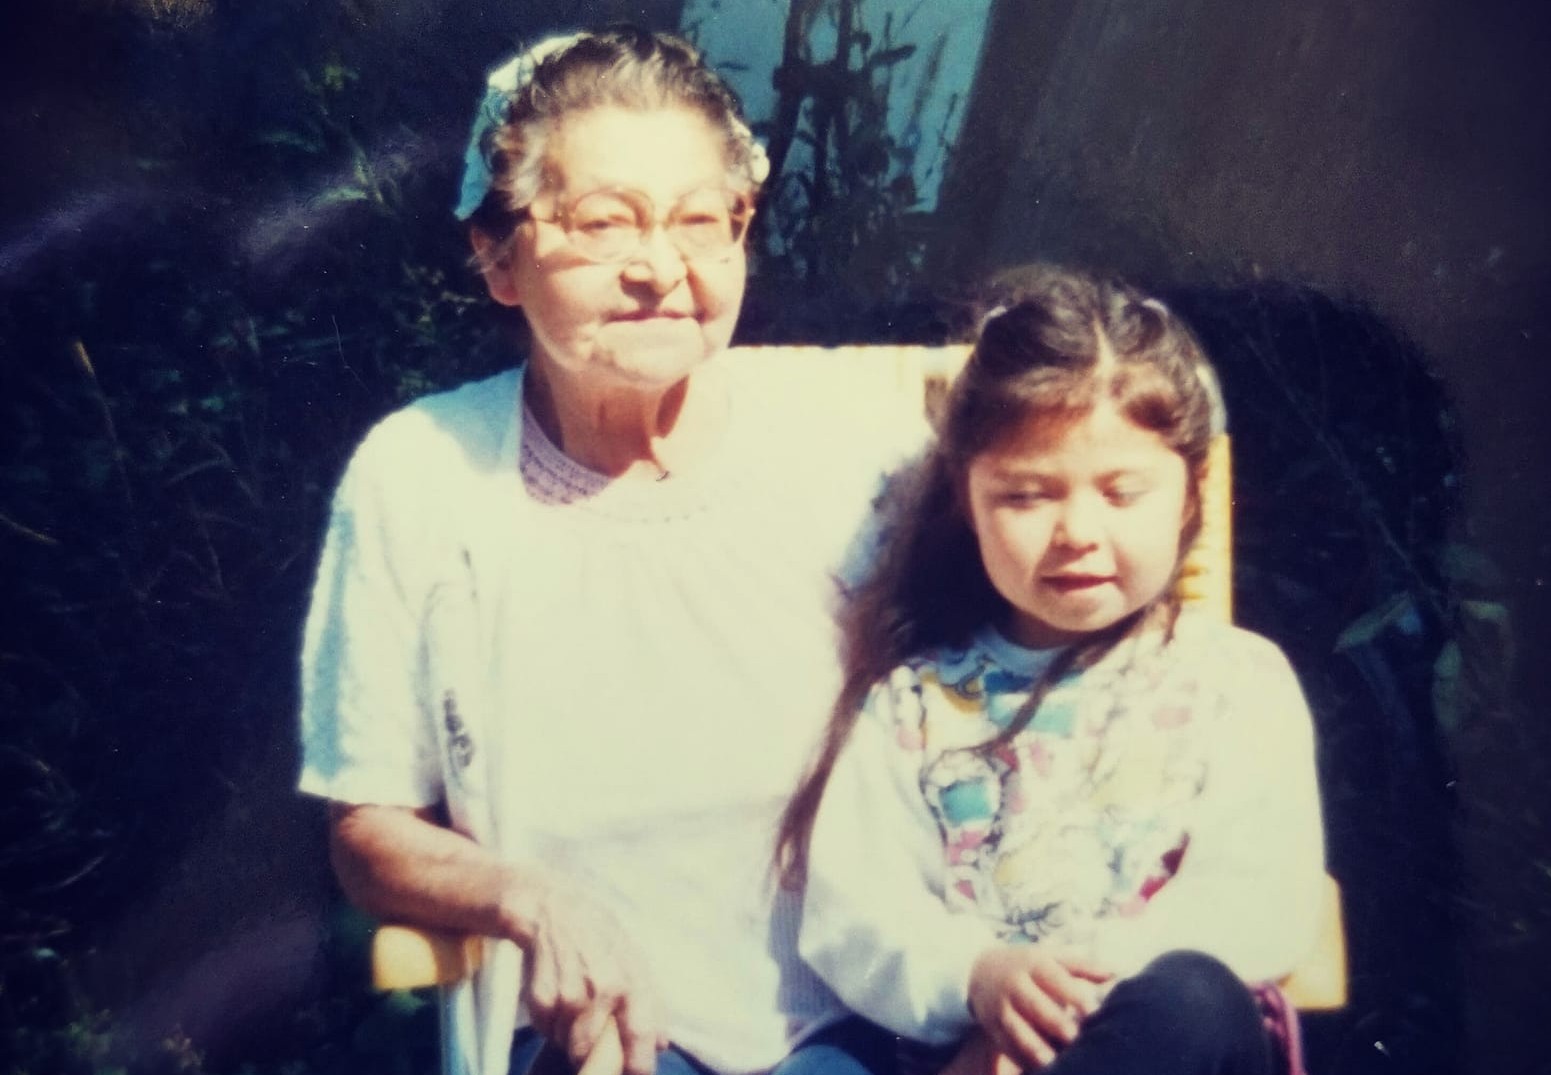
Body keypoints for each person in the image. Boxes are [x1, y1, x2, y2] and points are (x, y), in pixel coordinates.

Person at [298, 26, 926, 1075]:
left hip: (876, 1014)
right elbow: (369, 829)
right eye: (603, 223)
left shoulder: (866, 443)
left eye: (701, 222)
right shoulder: (417, 474)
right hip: (598, 1033)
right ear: (497, 257)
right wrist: (528, 898)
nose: (660, 269)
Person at [778, 266, 1328, 1075]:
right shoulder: (915, 702)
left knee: (1194, 1001)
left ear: (1188, 496)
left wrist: (1077, 985)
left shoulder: (1237, 684)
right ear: (967, 503)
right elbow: (855, 912)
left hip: (1151, 1040)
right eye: (1027, 496)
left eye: (1121, 492)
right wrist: (979, 976)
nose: (1076, 530)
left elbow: (1260, 899)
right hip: (962, 1050)